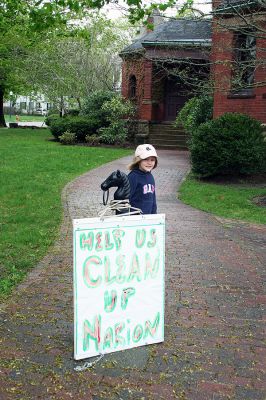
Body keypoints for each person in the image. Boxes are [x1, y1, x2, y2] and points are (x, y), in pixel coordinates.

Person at [127, 144, 158, 214]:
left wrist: (154, 214)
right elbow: (126, 199)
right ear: (138, 160)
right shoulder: (133, 177)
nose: (149, 163)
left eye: (152, 160)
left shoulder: (150, 176)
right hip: (135, 218)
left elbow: (153, 198)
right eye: (145, 159)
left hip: (148, 218)